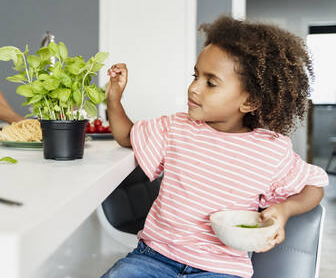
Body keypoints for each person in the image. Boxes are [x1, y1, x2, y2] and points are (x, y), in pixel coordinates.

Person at [102, 15, 329, 278]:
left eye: (210, 83)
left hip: (220, 270)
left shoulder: (270, 150)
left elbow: (314, 187)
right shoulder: (177, 127)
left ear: (250, 101)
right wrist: (114, 99)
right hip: (153, 258)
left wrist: (285, 209)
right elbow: (126, 135)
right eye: (195, 76)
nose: (193, 88)